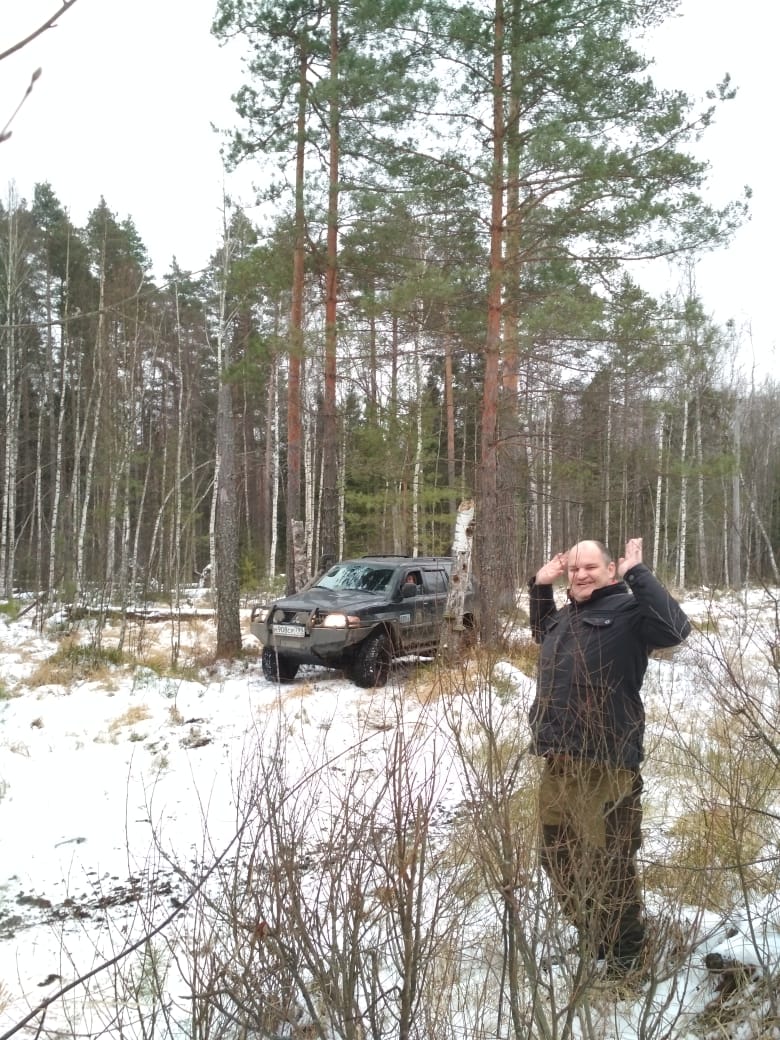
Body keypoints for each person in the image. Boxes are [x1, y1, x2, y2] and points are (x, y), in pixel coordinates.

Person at [528, 537, 690, 978]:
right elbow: (542, 633)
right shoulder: (567, 616)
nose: (581, 575)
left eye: (590, 568)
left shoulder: (630, 612)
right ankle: (594, 935)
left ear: (610, 571)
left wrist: (639, 573)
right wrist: (540, 586)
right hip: (559, 762)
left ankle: (626, 961)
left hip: (607, 765)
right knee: (557, 857)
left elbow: (675, 630)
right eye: (574, 568)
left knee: (611, 865)